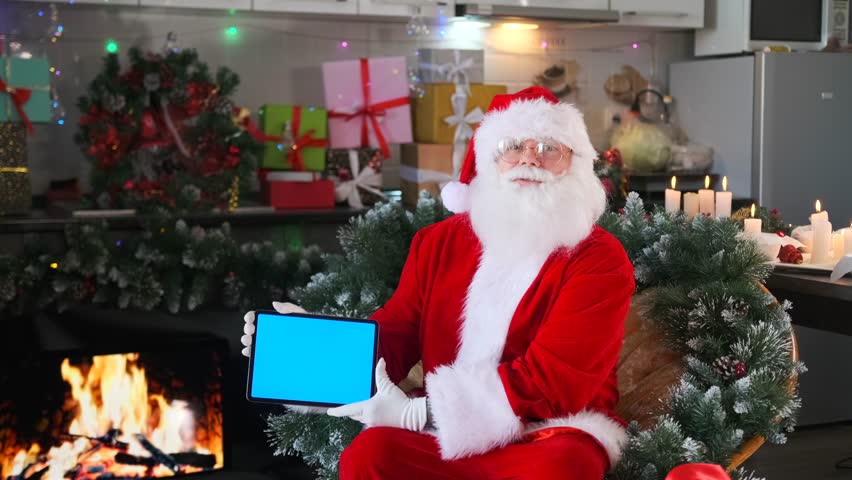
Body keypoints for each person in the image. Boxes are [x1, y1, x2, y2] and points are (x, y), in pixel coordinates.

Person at [242, 86, 635, 479]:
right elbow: (396, 331)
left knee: (564, 466)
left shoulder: (598, 258)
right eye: (513, 144)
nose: (529, 158)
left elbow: (556, 381)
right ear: (489, 159)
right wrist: (309, 349)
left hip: (546, 432)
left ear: (576, 164)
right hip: (441, 433)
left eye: (551, 147)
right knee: (372, 453)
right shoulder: (438, 244)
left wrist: (421, 412)